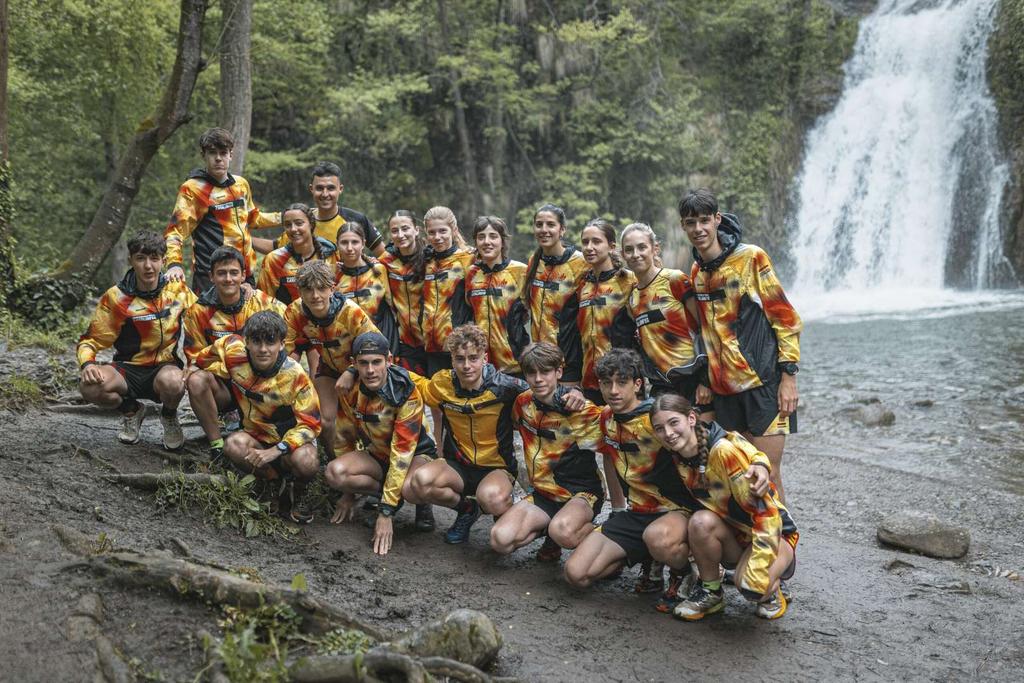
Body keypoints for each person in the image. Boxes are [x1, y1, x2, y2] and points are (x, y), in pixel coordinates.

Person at [680, 189, 802, 501]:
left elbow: (784, 317)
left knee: (769, 473)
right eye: (691, 222)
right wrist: (704, 378)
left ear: (717, 220)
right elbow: (703, 332)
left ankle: (782, 547)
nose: (699, 229)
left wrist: (788, 377)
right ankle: (754, 540)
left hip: (762, 382)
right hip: (724, 392)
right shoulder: (696, 272)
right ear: (684, 226)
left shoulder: (750, 258)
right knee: (741, 471)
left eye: (705, 220)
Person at [563, 349, 698, 612]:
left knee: (657, 537)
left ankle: (683, 571)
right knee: (575, 573)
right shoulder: (605, 419)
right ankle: (645, 557)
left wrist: (758, 465)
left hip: (674, 510)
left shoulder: (656, 418)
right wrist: (572, 393)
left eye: (621, 382)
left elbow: (707, 438)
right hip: (636, 513)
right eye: (606, 383)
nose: (613, 390)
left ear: (637, 384)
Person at [649, 392, 797, 620]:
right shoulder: (676, 456)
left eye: (673, 423)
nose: (668, 433)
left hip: (774, 533)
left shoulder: (722, 452)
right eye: (659, 428)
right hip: (736, 533)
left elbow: (767, 515)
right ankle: (710, 592)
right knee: (700, 521)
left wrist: (757, 569)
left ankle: (772, 588)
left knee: (750, 586)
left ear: (691, 419)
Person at [189, 311, 321, 523]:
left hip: (291, 444)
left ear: (281, 344)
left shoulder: (296, 375)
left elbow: (311, 424)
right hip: (256, 435)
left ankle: (300, 490)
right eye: (256, 342)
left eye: (270, 342)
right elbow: (206, 356)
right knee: (233, 445)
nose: (263, 349)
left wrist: (277, 450)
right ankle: (273, 483)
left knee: (306, 462)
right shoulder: (233, 349)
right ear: (246, 342)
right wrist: (193, 368)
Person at [405, 324, 529, 544]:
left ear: (485, 358)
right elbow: (412, 382)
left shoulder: (506, 387)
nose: (466, 365)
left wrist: (571, 395)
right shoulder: (442, 384)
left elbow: (540, 394)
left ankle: (506, 509)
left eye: (473, 358)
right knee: (419, 483)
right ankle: (467, 510)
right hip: (458, 465)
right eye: (460, 359)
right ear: (452, 360)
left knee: (493, 500)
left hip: (495, 467)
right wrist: (356, 369)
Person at [77, 231, 195, 449]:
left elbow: (204, 319)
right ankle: (132, 411)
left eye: (154, 259)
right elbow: (90, 340)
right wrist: (88, 363)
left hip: (164, 367)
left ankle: (169, 416)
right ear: (131, 260)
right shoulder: (116, 297)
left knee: (175, 382)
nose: (148, 266)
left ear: (163, 260)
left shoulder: (177, 291)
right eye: (141, 259)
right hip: (127, 369)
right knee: (89, 387)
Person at [490, 343, 605, 563]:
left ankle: (603, 534)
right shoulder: (523, 403)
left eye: (545, 372)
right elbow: (513, 425)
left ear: (559, 372)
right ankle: (549, 532)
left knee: (562, 531)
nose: (538, 379)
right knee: (500, 539)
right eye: (531, 373)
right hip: (544, 493)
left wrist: (619, 508)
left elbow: (613, 448)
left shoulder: (581, 410)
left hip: (581, 493)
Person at [326, 332, 437, 553]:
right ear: (353, 364)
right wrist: (347, 493)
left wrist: (386, 512)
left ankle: (419, 503)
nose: (370, 370)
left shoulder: (407, 391)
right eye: (363, 363)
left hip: (414, 456)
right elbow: (344, 437)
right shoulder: (350, 389)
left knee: (410, 486)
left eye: (377, 362)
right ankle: (384, 494)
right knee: (335, 473)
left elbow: (402, 454)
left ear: (389, 359)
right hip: (377, 454)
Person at [182, 246, 285, 457]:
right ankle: (217, 445)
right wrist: (234, 365)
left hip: (263, 383)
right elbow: (196, 357)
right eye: (221, 273)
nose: (228, 279)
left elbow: (291, 324)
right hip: (225, 386)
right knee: (196, 379)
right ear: (211, 276)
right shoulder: (198, 312)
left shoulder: (260, 302)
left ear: (243, 275)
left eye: (233, 273)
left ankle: (275, 441)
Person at [164, 127, 280, 292]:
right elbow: (175, 232)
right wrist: (174, 264)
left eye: (223, 153)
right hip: (211, 276)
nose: (218, 158)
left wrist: (286, 217)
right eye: (212, 153)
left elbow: (254, 219)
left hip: (244, 274)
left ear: (231, 155)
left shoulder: (241, 184)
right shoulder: (193, 188)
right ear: (204, 155)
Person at [284, 260, 378, 458]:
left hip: (361, 368)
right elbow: (286, 348)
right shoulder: (295, 312)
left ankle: (373, 459)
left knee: (363, 419)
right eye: (308, 289)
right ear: (299, 291)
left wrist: (353, 371)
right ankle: (332, 460)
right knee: (326, 420)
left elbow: (376, 345)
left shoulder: (350, 312)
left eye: (321, 289)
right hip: (327, 366)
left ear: (332, 288)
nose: (315, 296)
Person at [617, 222, 708, 406]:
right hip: (662, 384)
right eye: (629, 250)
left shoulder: (674, 280)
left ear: (654, 248)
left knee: (701, 434)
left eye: (642, 247)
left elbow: (705, 328)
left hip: (693, 377)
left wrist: (706, 381)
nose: (636, 254)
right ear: (623, 255)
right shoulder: (632, 298)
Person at [521, 204, 588, 383]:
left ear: (562, 229)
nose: (544, 230)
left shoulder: (580, 263)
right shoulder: (534, 261)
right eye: (539, 224)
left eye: (550, 224)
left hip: (568, 360)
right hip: (538, 360)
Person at [577, 218, 636, 404]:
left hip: (620, 379)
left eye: (596, 241)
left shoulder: (628, 281)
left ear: (611, 246)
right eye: (585, 242)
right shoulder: (581, 285)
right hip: (588, 380)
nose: (589, 247)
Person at [275, 161, 385, 257]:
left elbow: (383, 255)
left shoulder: (356, 219)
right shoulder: (301, 221)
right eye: (319, 188)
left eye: (331, 188)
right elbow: (275, 247)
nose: (325, 194)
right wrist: (256, 242)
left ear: (340, 189)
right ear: (311, 189)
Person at [464, 216, 529, 376]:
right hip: (481, 366)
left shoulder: (520, 271)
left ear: (503, 240)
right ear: (476, 242)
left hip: (516, 364)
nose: (487, 242)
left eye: (493, 236)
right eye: (481, 237)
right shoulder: (471, 273)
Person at [420, 206, 474, 377]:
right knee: (437, 401)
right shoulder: (425, 261)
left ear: (454, 230)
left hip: (459, 346)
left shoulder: (469, 258)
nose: (437, 237)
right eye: (432, 232)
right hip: (430, 346)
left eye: (442, 231)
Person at [334, 223, 398, 352]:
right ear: (337, 244)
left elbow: (393, 308)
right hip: (349, 346)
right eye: (344, 242)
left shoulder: (379, 270)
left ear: (363, 243)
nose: (350, 248)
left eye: (355, 242)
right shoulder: (335, 276)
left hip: (382, 342)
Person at [378, 210, 428, 375]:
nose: (400, 235)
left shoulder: (432, 257)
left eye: (405, 228)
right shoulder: (385, 262)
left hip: (435, 342)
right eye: (394, 231)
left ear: (416, 230)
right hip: (405, 343)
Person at [258, 203, 338, 306]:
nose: (293, 229)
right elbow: (264, 301)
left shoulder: (331, 254)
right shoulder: (274, 259)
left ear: (311, 224)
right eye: (288, 225)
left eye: (299, 223)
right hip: (288, 320)